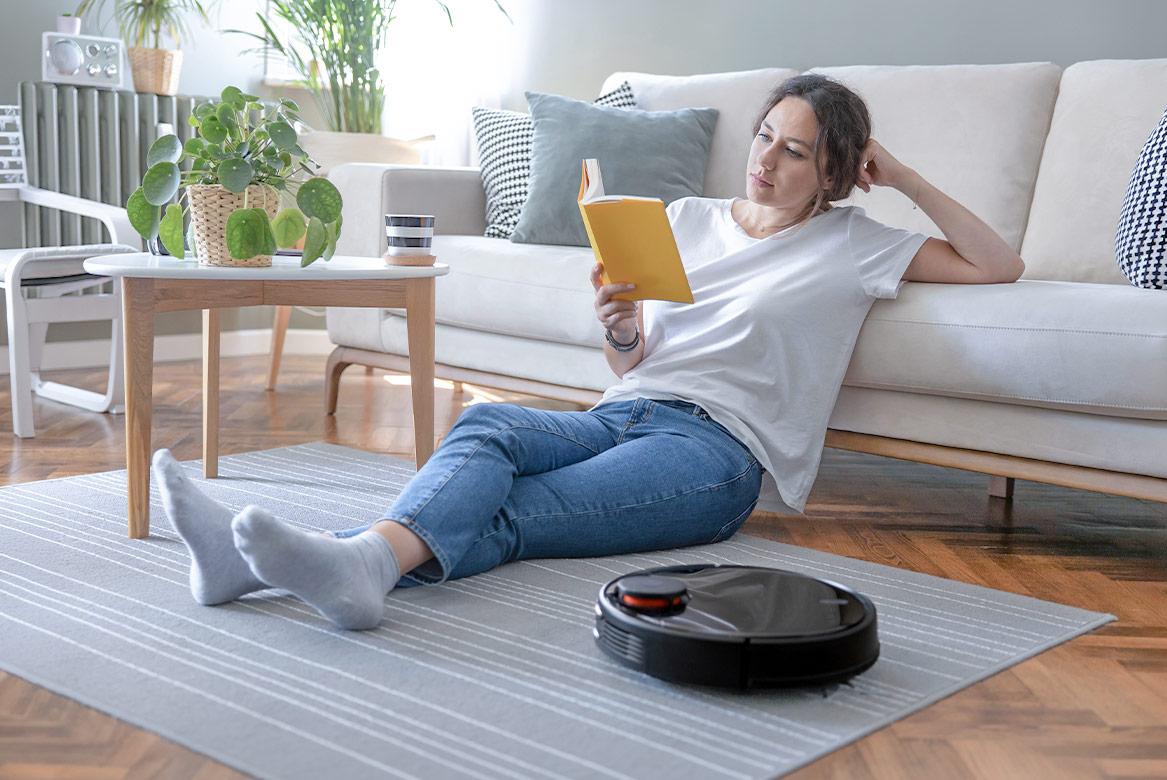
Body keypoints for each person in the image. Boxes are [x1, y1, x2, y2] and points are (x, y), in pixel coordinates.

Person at [154, 74, 1024, 630]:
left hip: (716, 456)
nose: (767, 160)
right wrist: (617, 320)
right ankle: (287, 566)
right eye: (766, 135)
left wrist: (902, 176)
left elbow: (997, 263)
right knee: (489, 431)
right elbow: (632, 361)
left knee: (515, 512)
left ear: (834, 173)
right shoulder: (686, 221)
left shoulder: (854, 242)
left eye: (796, 151)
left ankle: (315, 562)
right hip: (622, 412)